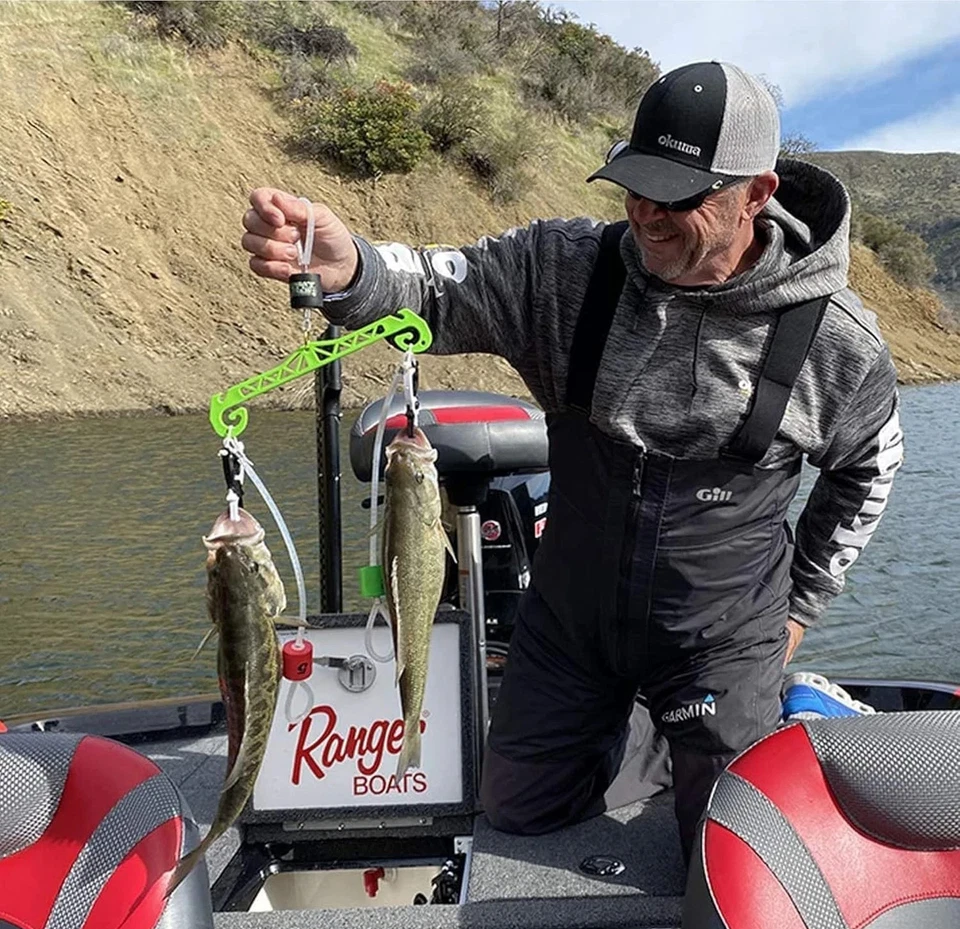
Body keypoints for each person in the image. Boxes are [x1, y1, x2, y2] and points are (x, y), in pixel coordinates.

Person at [240, 61, 903, 859]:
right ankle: (646, 731)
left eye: (679, 197)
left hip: (721, 632)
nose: (647, 215)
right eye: (634, 187)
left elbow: (867, 469)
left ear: (756, 194)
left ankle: (752, 711)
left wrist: (798, 609)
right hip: (570, 618)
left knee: (734, 850)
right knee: (516, 816)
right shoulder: (567, 268)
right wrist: (352, 271)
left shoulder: (835, 340)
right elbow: (441, 285)